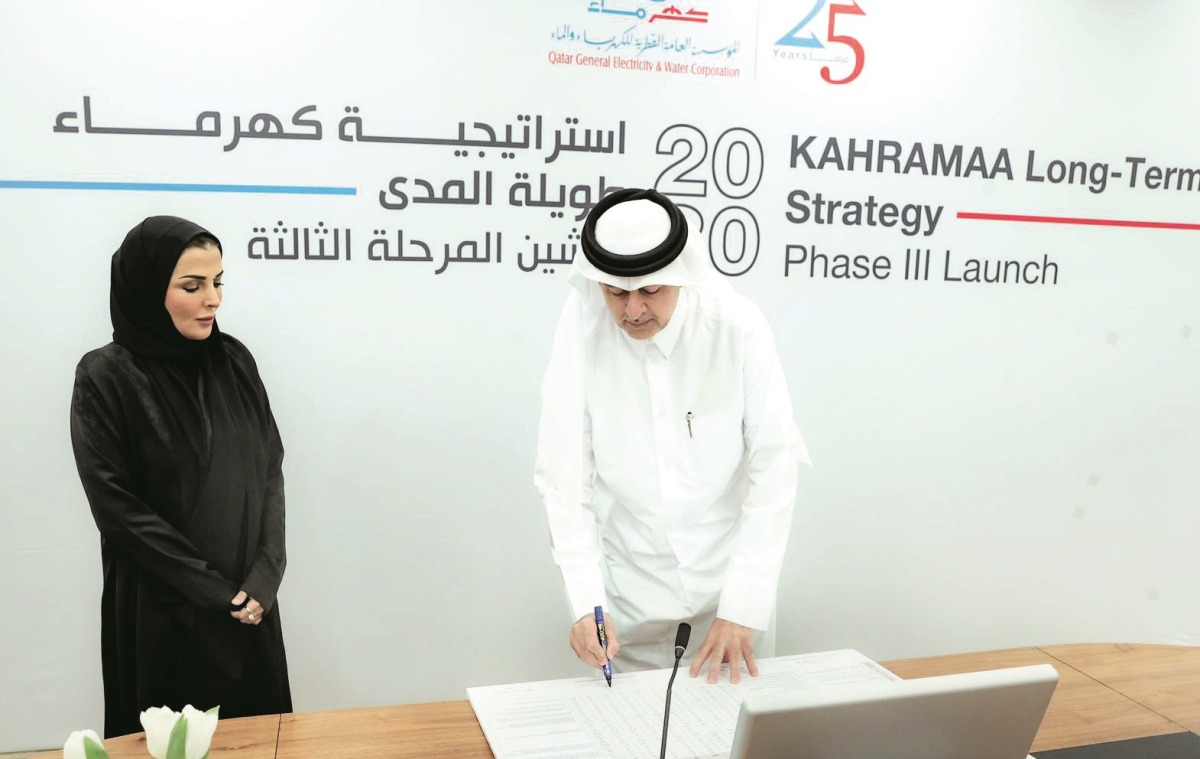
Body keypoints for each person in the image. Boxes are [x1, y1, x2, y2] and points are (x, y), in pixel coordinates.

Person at [535, 188, 808, 683]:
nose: (633, 310)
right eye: (616, 293)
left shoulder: (735, 327)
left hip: (727, 601)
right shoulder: (582, 330)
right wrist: (585, 601)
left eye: (651, 291)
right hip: (627, 606)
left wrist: (742, 606)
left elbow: (774, 469)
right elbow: (563, 478)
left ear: (681, 275)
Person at [70, 216, 291, 737]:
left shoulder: (235, 361)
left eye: (218, 282)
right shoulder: (105, 377)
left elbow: (270, 468)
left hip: (250, 606)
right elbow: (119, 511)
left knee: (261, 740)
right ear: (148, 290)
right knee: (172, 743)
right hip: (162, 611)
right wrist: (215, 591)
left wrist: (266, 573)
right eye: (193, 286)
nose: (213, 299)